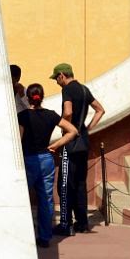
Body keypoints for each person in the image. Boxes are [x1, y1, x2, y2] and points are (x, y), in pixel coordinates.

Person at [18, 83, 78, 248]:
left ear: (28, 97)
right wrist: (56, 145)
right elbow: (73, 131)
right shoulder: (51, 115)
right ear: (41, 97)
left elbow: (19, 139)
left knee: (21, 198)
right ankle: (45, 237)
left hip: (29, 159)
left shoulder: (23, 116)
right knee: (46, 200)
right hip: (46, 159)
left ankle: (21, 235)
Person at [50, 63, 105, 236]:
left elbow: (67, 111)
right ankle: (82, 222)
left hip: (70, 143)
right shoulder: (83, 89)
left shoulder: (67, 90)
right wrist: (87, 128)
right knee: (80, 183)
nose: (57, 83)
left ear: (61, 76)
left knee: (65, 184)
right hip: (83, 142)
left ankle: (65, 224)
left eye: (56, 79)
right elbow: (100, 110)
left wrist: (65, 127)